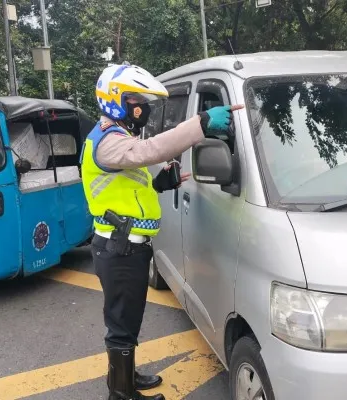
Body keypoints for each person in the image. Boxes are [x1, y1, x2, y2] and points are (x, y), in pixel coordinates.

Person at [81, 63, 243, 400]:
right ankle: (121, 394)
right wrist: (199, 124)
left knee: (128, 320)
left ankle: (126, 379)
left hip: (125, 246)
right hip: (119, 247)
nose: (143, 108)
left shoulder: (117, 136)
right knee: (121, 323)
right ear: (116, 100)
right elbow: (148, 151)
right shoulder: (107, 140)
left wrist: (159, 184)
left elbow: (127, 188)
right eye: (136, 101)